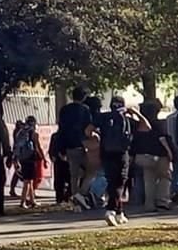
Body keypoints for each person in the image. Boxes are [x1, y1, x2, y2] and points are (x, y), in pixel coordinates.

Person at [97, 97, 149, 225]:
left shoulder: (103, 117)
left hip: (105, 153)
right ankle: (110, 211)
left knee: (112, 182)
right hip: (122, 153)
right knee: (120, 183)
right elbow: (146, 127)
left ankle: (120, 212)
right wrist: (136, 113)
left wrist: (99, 137)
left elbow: (88, 130)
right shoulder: (128, 119)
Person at [130, 102, 172, 213]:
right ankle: (162, 201)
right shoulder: (158, 124)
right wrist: (169, 152)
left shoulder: (137, 125)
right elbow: (163, 139)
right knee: (165, 177)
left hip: (142, 156)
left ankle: (149, 204)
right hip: (158, 155)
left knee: (148, 181)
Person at [58, 88, 95, 210]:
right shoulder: (85, 110)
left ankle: (75, 200)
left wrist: (61, 148)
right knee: (92, 171)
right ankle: (82, 193)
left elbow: (61, 129)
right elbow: (88, 127)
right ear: (83, 97)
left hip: (69, 145)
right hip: (83, 144)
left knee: (74, 175)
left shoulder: (64, 110)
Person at [13, 116, 45, 209]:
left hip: (22, 158)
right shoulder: (33, 133)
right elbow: (37, 146)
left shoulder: (21, 132)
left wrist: (15, 158)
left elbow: (17, 146)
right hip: (30, 158)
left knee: (30, 180)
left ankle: (32, 200)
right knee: (27, 181)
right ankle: (23, 202)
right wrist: (42, 157)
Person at [48, 130, 70, 204]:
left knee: (59, 180)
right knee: (67, 179)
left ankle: (60, 198)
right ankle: (65, 198)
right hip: (65, 160)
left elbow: (51, 148)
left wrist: (52, 156)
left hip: (58, 160)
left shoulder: (55, 136)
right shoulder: (67, 135)